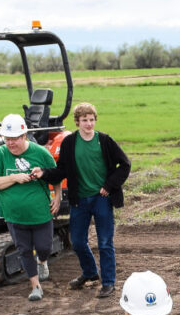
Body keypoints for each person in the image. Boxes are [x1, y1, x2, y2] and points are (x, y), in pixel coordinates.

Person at [33, 102, 131, 299]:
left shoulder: (104, 141)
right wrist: (43, 173)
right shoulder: (69, 143)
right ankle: (89, 272)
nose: (89, 124)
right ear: (77, 122)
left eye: (92, 120)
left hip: (101, 198)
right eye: (84, 120)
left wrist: (109, 185)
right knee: (77, 241)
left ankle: (108, 282)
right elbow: (61, 170)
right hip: (80, 199)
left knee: (104, 242)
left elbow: (125, 164)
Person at [0, 113, 60, 301]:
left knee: (44, 247)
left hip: (40, 212)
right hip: (14, 215)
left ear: (24, 136)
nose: (10, 143)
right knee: (24, 249)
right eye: (7, 139)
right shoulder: (1, 154)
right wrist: (14, 177)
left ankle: (43, 261)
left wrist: (58, 198)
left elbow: (56, 176)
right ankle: (35, 286)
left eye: (14, 139)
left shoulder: (40, 153)